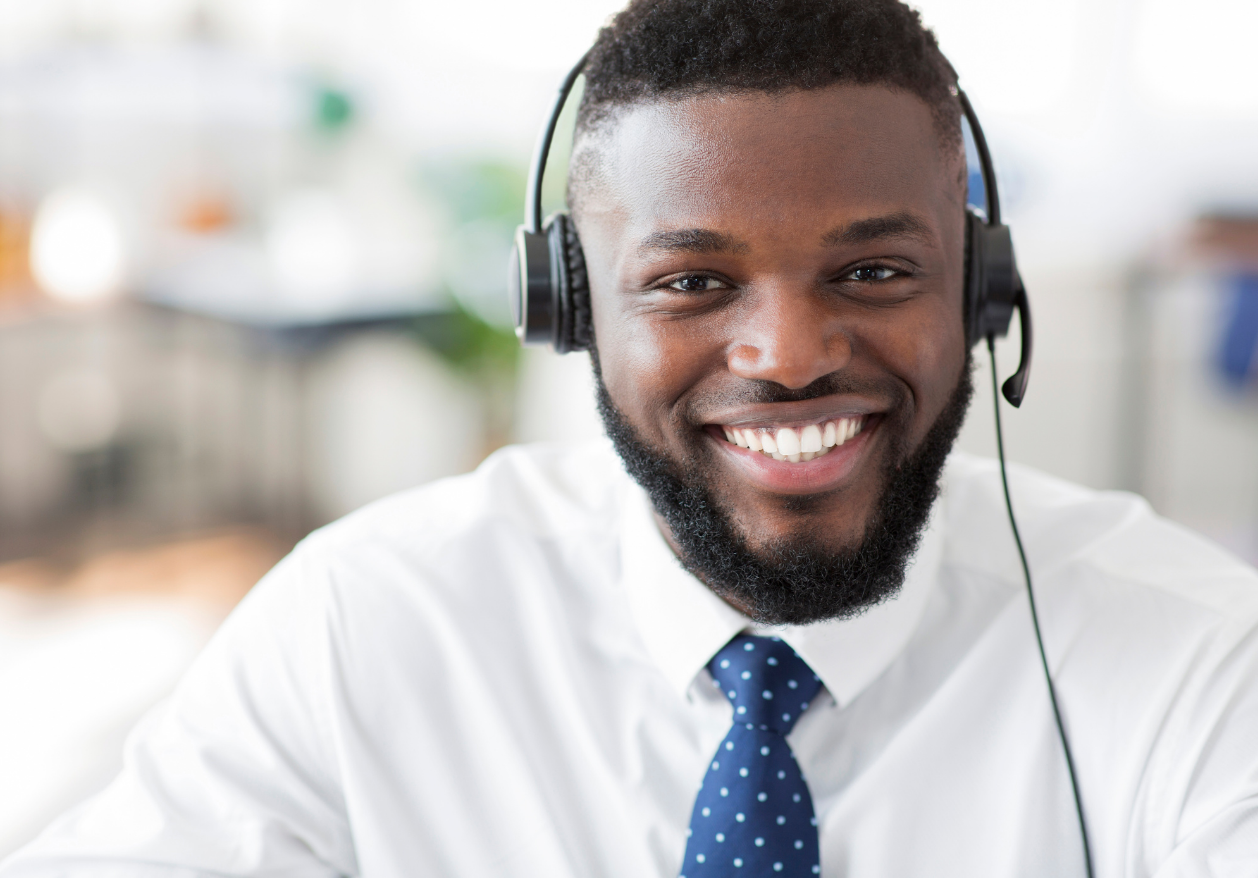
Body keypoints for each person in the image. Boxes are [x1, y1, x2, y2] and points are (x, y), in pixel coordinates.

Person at [5, 1, 1258, 875]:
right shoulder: (366, 622)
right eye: (691, 283)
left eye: (873, 268)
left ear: (981, 293)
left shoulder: (1194, 658)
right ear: (571, 307)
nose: (787, 351)